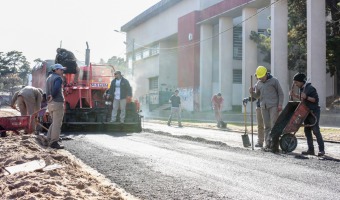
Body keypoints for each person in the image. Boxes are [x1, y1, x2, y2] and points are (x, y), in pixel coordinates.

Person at [249, 66, 284, 152]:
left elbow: (281, 93)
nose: (260, 78)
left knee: (274, 125)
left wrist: (280, 104)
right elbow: (257, 96)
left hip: (273, 106)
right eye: (259, 77)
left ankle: (275, 145)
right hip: (263, 107)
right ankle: (267, 144)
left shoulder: (274, 81)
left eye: (261, 77)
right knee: (267, 127)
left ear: (266, 74)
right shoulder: (258, 83)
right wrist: (252, 93)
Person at [289, 72, 325, 156]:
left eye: (296, 82)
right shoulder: (302, 88)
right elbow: (303, 98)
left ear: (301, 81)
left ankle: (322, 150)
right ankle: (311, 150)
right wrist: (295, 95)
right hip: (306, 112)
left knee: (315, 130)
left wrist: (307, 97)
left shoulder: (310, 88)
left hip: (313, 111)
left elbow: (315, 100)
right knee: (307, 131)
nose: (295, 84)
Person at [45, 64, 66, 149]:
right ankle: (54, 142)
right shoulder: (58, 78)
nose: (62, 71)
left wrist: (50, 98)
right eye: (61, 70)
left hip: (50, 104)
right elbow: (57, 88)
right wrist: (53, 96)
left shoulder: (49, 78)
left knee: (54, 122)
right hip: (57, 102)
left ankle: (48, 139)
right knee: (57, 123)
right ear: (56, 70)